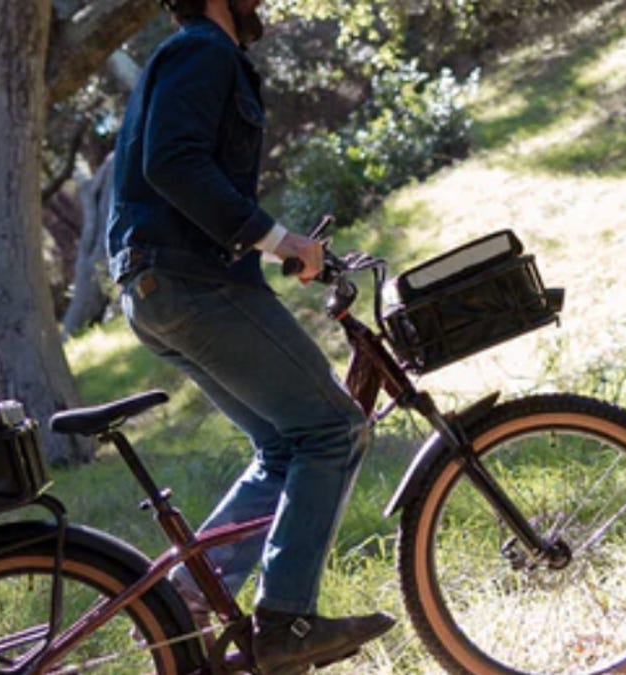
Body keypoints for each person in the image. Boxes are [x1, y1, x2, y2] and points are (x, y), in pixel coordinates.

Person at [105, 0, 395, 671]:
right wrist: (275, 237)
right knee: (333, 428)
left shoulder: (196, 54)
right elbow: (172, 163)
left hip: (164, 287)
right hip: (189, 285)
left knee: (285, 446)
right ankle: (286, 622)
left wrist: (277, 247)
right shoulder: (204, 50)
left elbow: (182, 172)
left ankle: (184, 604)